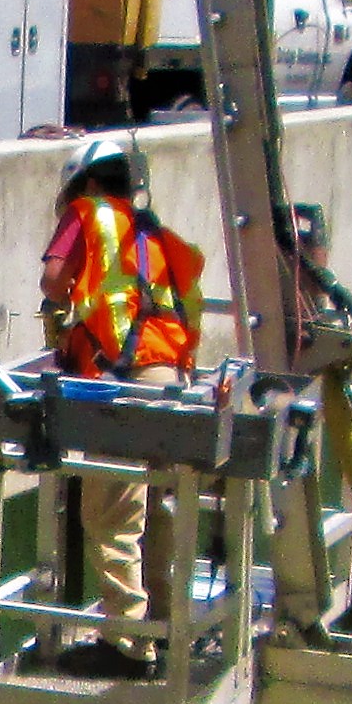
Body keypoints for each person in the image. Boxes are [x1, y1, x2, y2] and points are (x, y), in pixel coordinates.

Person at [35, 138, 203, 674]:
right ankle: (170, 629)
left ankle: (127, 644)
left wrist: (63, 320)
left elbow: (54, 281)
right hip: (169, 377)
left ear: (85, 184)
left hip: (119, 378)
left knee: (112, 513)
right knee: (160, 508)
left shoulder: (86, 214)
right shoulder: (148, 230)